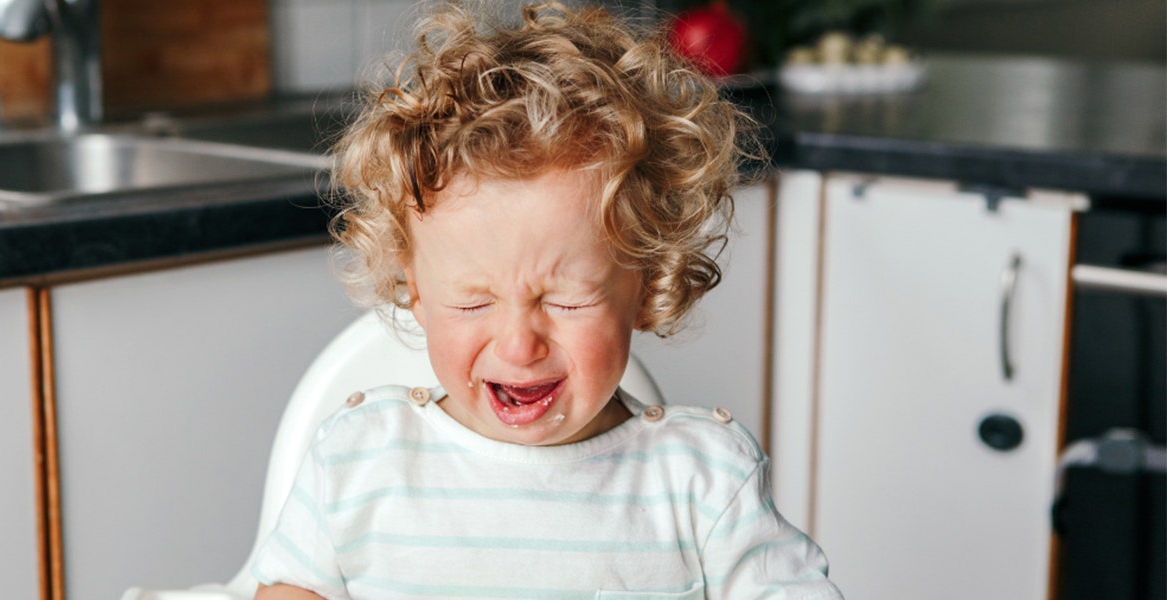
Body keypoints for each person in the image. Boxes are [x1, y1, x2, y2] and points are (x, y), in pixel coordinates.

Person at [252, 2, 841, 598]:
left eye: (566, 301)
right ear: (417, 294)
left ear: (647, 282)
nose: (519, 344)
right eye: (472, 302)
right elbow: (289, 588)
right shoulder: (360, 459)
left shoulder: (702, 482)